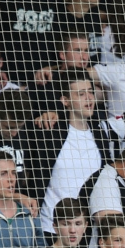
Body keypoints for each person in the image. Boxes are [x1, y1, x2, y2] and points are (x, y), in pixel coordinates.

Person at [36, 69, 104, 235]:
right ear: (65, 101)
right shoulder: (50, 131)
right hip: (50, 229)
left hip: (86, 232)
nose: (89, 98)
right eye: (81, 94)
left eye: (90, 92)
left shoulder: (103, 136)